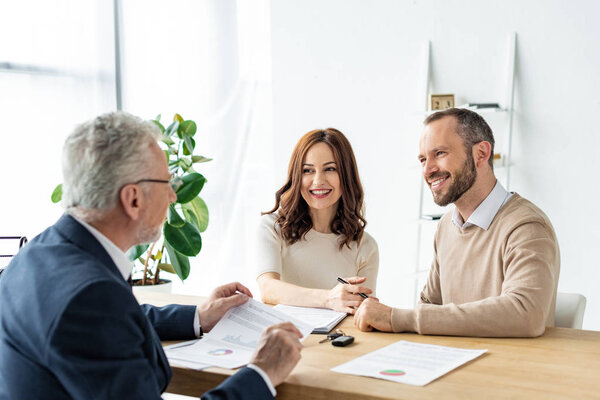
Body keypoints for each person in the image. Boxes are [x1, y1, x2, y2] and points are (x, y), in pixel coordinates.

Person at [0, 112, 302, 400]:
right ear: (132, 199)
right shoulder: (91, 296)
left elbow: (111, 324)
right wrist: (261, 373)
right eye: (167, 183)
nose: (173, 196)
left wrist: (199, 317)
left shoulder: (38, 253)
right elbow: (99, 317)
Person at [355, 108, 560, 337]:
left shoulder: (527, 227)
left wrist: (396, 318)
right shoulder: (446, 226)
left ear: (481, 153)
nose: (428, 169)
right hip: (453, 363)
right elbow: (429, 305)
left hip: (509, 370)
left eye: (440, 153)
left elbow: (526, 314)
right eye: (423, 159)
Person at [256, 128, 379, 314]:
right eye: (307, 170)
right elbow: (268, 289)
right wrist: (329, 299)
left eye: (330, 169)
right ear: (297, 176)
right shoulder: (272, 228)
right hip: (284, 339)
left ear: (346, 175)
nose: (318, 181)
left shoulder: (365, 246)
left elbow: (361, 312)